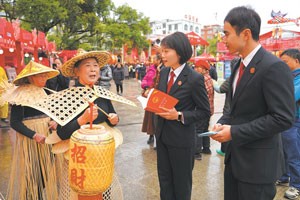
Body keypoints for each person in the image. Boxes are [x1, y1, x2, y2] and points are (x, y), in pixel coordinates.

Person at [211, 6, 295, 200]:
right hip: (235, 160)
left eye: (227, 34)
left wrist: (234, 132)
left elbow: (283, 118)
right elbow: (235, 109)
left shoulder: (273, 67)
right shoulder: (238, 64)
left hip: (258, 166)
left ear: (246, 34)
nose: (224, 39)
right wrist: (222, 123)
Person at [155, 31, 210, 200]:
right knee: (164, 181)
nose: (162, 55)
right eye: (162, 51)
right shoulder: (164, 72)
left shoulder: (194, 78)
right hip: (162, 136)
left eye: (166, 51)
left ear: (179, 52)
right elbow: (164, 97)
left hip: (181, 140)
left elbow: (204, 111)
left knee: (181, 183)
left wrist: (179, 115)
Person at [3, 61, 60, 199]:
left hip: (48, 138)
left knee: (46, 173)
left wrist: (55, 121)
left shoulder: (46, 92)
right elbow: (15, 123)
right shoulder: (20, 95)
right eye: (40, 76)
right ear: (30, 77)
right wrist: (34, 135)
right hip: (32, 141)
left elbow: (53, 113)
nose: (44, 78)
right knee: (34, 177)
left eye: (45, 76)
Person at [277, 49, 300, 200]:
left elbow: (290, 97)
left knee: (293, 154)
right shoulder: (289, 76)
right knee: (284, 151)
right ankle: (284, 176)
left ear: (296, 61)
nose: (282, 65)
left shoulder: (297, 77)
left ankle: (296, 185)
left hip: (295, 121)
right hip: (286, 120)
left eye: (285, 62)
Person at [213, 57, 239, 156]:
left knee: (224, 128)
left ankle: (224, 150)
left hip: (229, 109)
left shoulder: (232, 78)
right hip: (232, 111)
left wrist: (213, 83)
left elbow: (220, 89)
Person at [193, 59, 214, 160]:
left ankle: (196, 153)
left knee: (198, 130)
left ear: (204, 69)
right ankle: (206, 148)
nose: (195, 69)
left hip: (202, 109)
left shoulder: (202, 79)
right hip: (209, 109)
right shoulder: (209, 77)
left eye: (198, 67)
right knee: (205, 129)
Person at [141, 54, 161, 146]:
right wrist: (145, 87)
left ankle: (158, 138)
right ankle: (151, 135)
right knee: (149, 118)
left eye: (155, 59)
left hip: (157, 96)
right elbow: (145, 79)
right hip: (149, 94)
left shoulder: (162, 69)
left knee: (157, 118)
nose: (153, 61)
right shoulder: (151, 68)